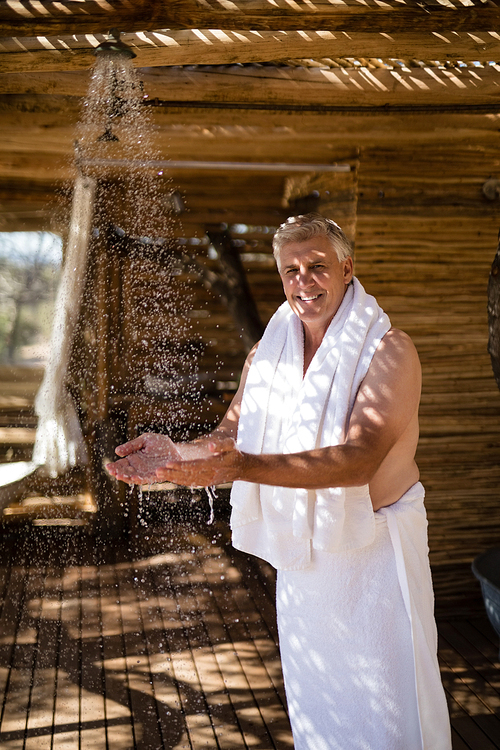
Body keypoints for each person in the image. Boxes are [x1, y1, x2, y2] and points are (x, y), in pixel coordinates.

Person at [107, 213, 452, 750]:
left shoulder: (390, 352)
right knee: (320, 700)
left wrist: (242, 468)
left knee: (386, 704)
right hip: (305, 556)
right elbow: (231, 432)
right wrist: (179, 451)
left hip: (375, 554)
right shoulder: (267, 354)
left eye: (317, 266)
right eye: (291, 270)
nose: (303, 281)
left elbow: (357, 460)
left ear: (346, 269)